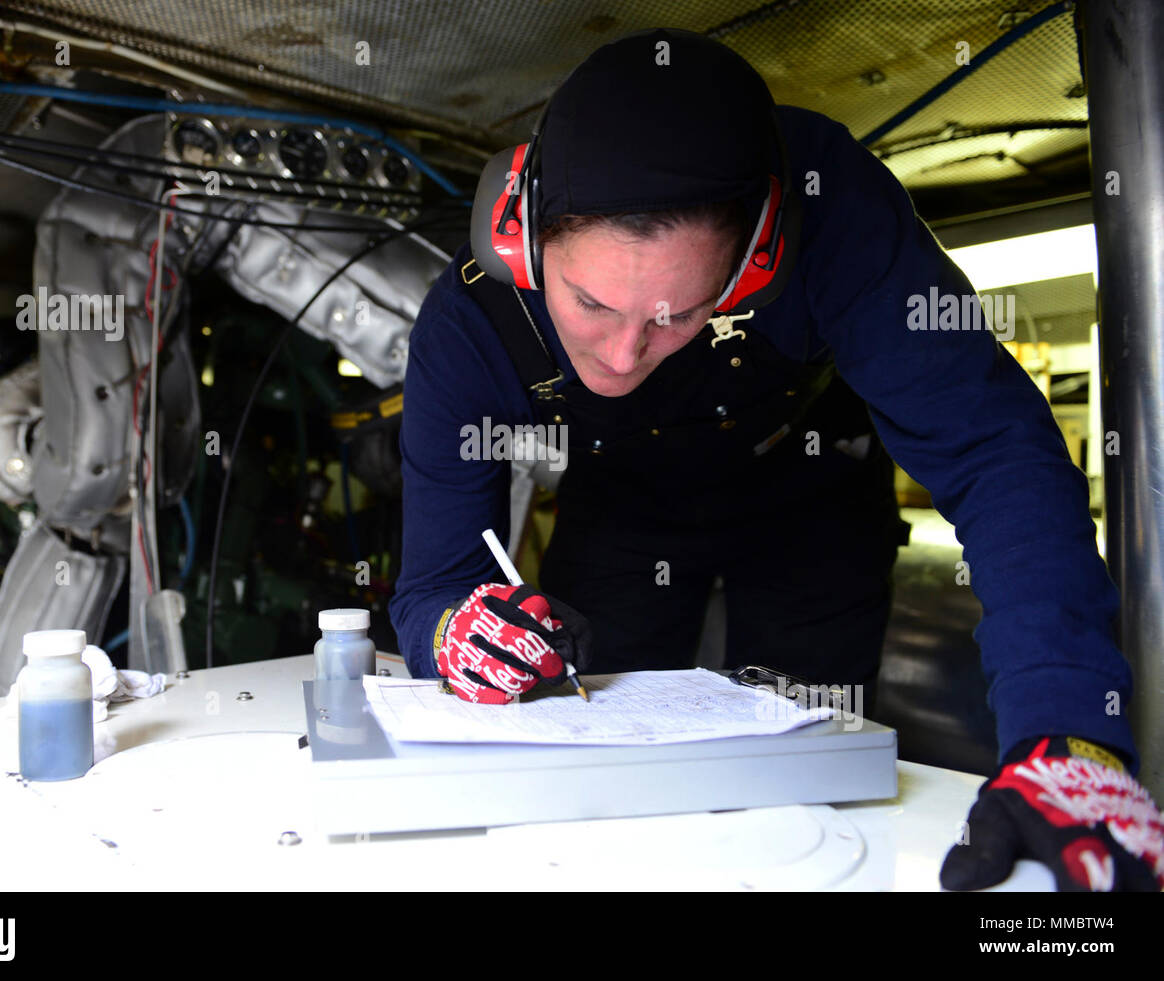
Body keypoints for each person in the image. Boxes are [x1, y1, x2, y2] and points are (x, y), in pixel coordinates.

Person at [388, 28, 1162, 891]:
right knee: (580, 763)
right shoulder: (468, 323)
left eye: (677, 314)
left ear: (758, 258)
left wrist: (1067, 730)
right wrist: (454, 635)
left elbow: (994, 450)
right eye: (591, 302)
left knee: (812, 795)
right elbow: (433, 586)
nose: (618, 354)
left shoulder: (838, 214)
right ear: (518, 237)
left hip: (811, 495)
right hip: (623, 508)